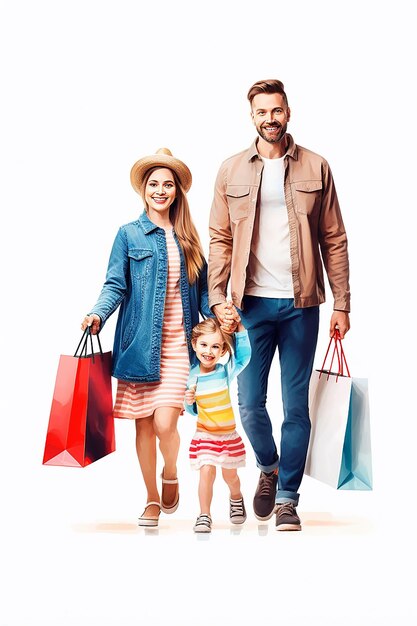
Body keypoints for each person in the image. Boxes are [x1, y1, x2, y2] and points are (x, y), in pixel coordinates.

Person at [208, 79, 351, 531]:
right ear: (251, 117)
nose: (270, 118)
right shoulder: (231, 170)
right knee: (249, 402)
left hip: (300, 305)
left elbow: (334, 238)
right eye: (262, 112)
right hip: (248, 306)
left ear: (288, 112)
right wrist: (217, 298)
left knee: (295, 405)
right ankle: (267, 466)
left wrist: (342, 304)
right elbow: (220, 239)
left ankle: (287, 496)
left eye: (277, 110)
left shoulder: (316, 165)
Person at [81, 147, 212, 528]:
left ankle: (170, 471)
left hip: (178, 348)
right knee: (143, 425)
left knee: (166, 424)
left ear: (176, 191)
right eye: (154, 184)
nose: (160, 190)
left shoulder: (189, 238)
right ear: (144, 189)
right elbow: (114, 284)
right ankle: (151, 498)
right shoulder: (128, 234)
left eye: (167, 184)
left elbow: (202, 293)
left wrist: (219, 315)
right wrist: (97, 314)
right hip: (139, 346)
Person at [184, 315, 251, 533]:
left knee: (230, 476)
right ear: (194, 344)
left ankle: (236, 496)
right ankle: (204, 514)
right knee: (206, 473)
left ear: (222, 351)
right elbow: (192, 410)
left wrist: (240, 328)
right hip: (205, 436)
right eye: (203, 345)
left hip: (227, 437)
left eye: (215, 347)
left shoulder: (224, 372)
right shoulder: (191, 377)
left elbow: (243, 358)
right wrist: (190, 402)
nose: (208, 351)